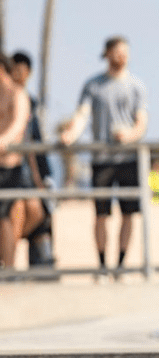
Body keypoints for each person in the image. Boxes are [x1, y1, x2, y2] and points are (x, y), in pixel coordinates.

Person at [60, 36, 148, 281]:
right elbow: (82, 114)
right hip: (102, 161)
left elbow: (142, 121)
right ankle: (101, 264)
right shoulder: (93, 85)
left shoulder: (136, 85)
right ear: (107, 54)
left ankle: (119, 265)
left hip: (128, 159)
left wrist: (130, 135)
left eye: (125, 52)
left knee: (128, 214)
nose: (122, 56)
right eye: (117, 52)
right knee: (101, 215)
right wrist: (71, 134)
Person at [9, 51, 55, 268]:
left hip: (30, 169)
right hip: (12, 167)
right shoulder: (7, 97)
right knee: (17, 212)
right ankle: (8, 256)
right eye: (14, 69)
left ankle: (10, 251)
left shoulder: (32, 103)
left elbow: (38, 141)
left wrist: (46, 175)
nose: (18, 73)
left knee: (39, 212)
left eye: (22, 69)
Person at [0, 53, 31, 269]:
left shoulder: (17, 93)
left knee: (5, 218)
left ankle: (9, 268)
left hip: (10, 166)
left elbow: (18, 125)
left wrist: (2, 141)